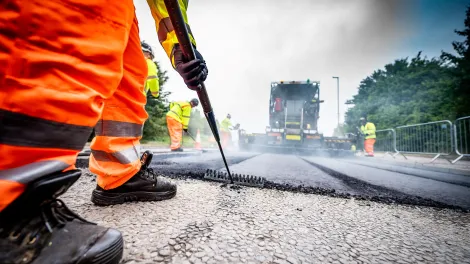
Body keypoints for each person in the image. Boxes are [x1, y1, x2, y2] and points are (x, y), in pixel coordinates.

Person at [0, 1, 208, 263]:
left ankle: (120, 175)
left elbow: (168, 6)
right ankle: (11, 194)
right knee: (74, 20)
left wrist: (180, 46)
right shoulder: (180, 105)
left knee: (128, 72)